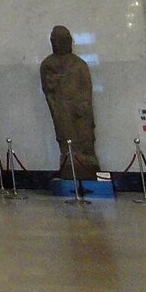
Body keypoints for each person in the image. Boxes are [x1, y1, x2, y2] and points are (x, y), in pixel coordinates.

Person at [39, 25, 101, 178]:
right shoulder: (48, 64)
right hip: (62, 108)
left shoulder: (79, 64)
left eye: (63, 41)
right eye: (55, 41)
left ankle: (87, 161)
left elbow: (86, 86)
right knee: (66, 136)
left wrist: (83, 104)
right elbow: (48, 88)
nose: (59, 44)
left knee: (85, 136)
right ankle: (69, 160)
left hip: (80, 108)